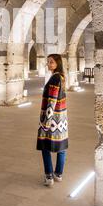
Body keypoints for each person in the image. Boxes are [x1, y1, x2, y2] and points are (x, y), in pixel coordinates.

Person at [36, 53, 68, 187]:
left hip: (52, 118)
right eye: (48, 62)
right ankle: (58, 174)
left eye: (51, 62)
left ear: (57, 64)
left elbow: (52, 100)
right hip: (61, 118)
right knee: (61, 147)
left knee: (45, 146)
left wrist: (46, 121)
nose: (48, 64)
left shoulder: (55, 78)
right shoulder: (61, 77)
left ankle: (49, 176)